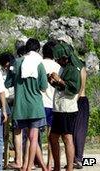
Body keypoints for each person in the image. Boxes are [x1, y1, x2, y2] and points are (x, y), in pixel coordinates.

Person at [5, 38, 48, 171]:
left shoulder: (16, 63)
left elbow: (7, 84)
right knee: (33, 138)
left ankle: (22, 163)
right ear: (38, 50)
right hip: (35, 107)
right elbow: (43, 87)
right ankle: (28, 166)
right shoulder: (39, 64)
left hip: (20, 107)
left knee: (19, 134)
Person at [49, 42, 82, 171]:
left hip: (67, 108)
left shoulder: (73, 69)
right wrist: (53, 82)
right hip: (59, 107)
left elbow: (74, 88)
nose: (58, 61)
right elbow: (62, 87)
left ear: (66, 57)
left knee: (67, 137)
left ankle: (69, 168)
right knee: (53, 137)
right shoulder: (64, 67)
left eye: (59, 58)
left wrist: (59, 80)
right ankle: (57, 167)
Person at [41, 40, 61, 170]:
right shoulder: (58, 66)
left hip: (40, 103)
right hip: (53, 103)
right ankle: (50, 163)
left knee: (35, 135)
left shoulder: (39, 64)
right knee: (52, 137)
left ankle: (35, 161)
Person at [73, 66, 89, 169]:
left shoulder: (80, 68)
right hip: (74, 101)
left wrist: (75, 100)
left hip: (80, 100)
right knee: (72, 132)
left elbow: (81, 87)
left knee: (79, 131)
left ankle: (78, 159)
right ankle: (74, 159)